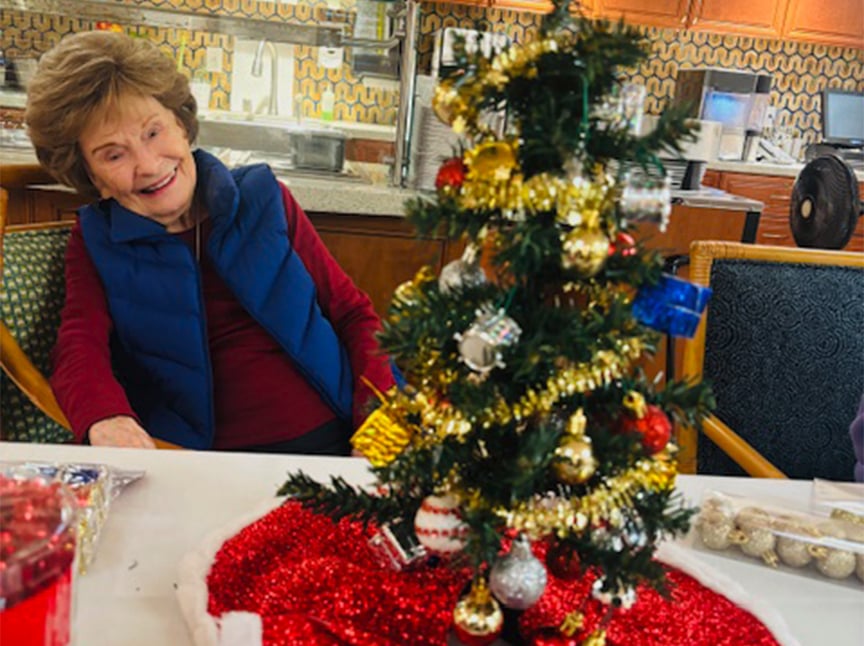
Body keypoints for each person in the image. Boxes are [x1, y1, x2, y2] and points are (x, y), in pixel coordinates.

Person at [24, 31, 396, 454]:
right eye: (113, 155)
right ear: (92, 177)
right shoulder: (96, 238)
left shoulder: (263, 197)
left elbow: (353, 314)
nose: (148, 166)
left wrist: (379, 416)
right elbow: (79, 344)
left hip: (338, 437)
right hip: (199, 462)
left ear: (181, 126)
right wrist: (106, 417)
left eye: (153, 132)